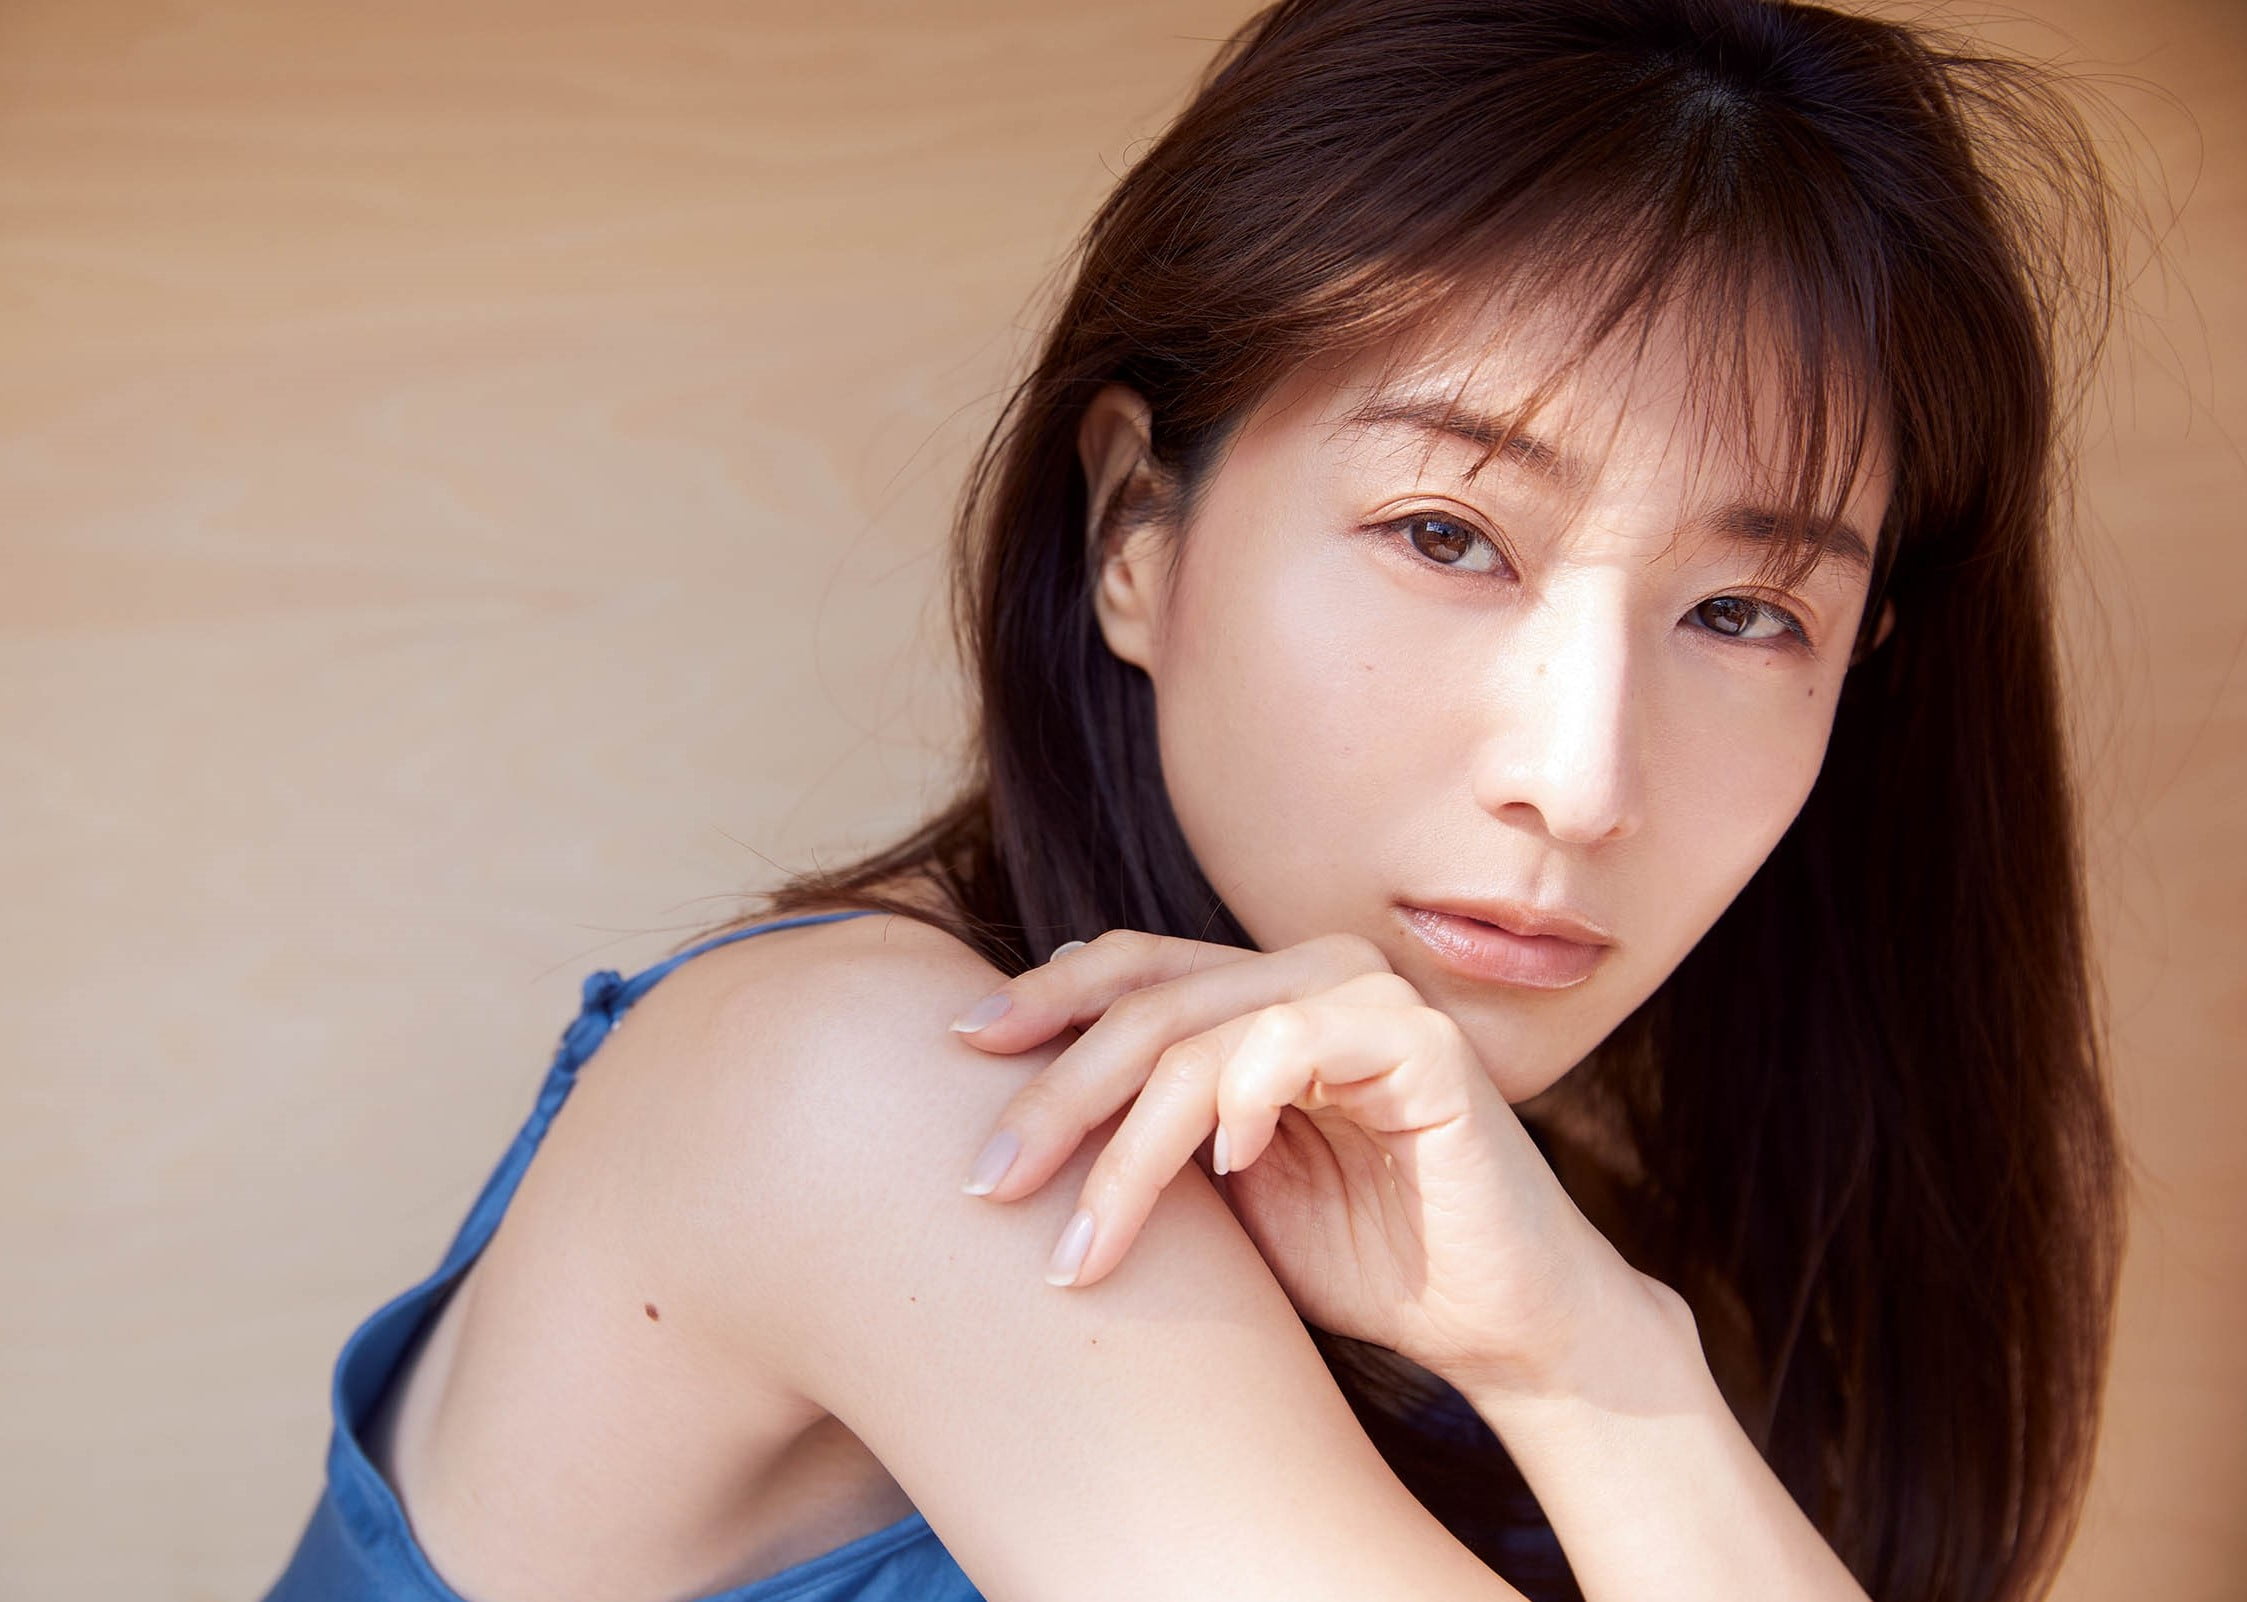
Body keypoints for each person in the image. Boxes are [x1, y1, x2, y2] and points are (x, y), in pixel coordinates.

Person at [262, 0, 2130, 1598]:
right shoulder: (895, 1103)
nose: (1578, 779)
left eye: (1743, 612)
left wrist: (1582, 1336)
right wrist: (1603, 1372)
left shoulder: (1512, 1202)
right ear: (1136, 529)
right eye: (1446, 534)